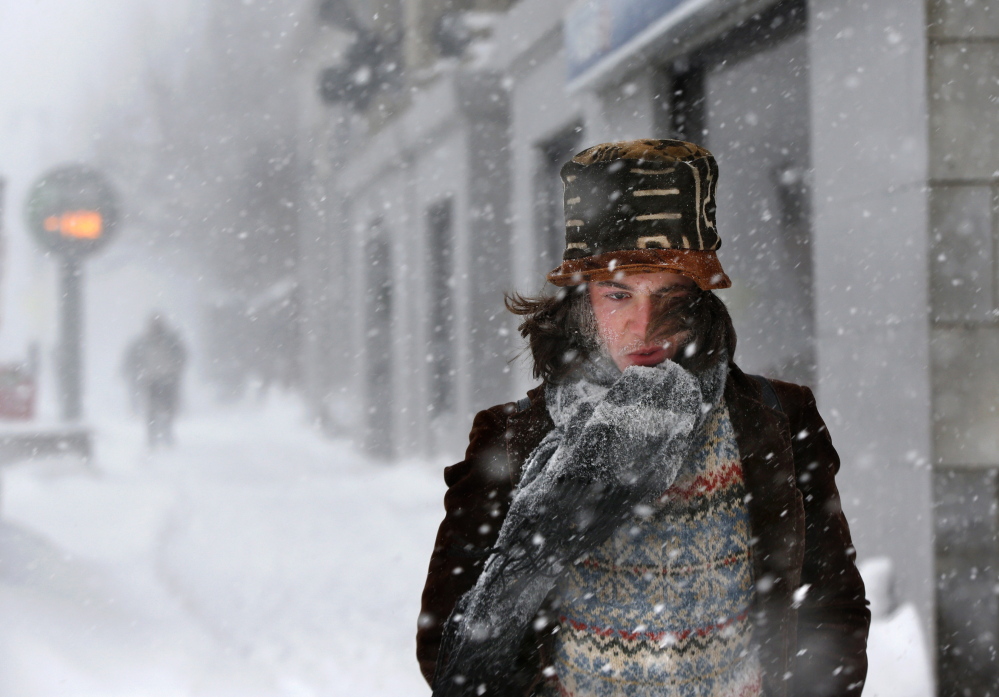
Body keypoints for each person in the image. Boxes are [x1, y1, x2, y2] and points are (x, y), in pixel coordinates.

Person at [416, 139, 869, 697]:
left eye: (671, 295)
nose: (645, 327)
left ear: (701, 301)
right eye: (618, 294)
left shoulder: (776, 418)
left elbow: (831, 604)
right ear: (581, 302)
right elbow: (452, 645)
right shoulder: (515, 439)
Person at [124, 313, 187, 447]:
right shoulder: (143, 342)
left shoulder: (171, 341)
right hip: (152, 380)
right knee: (152, 410)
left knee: (168, 409)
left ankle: (166, 432)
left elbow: (182, 356)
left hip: (167, 379)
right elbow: (132, 359)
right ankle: (152, 438)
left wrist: (176, 369)